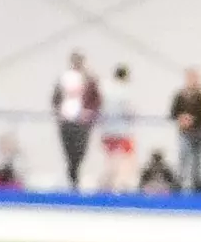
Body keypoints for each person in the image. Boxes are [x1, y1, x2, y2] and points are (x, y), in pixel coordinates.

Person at [51, 51, 99, 190]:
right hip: (66, 120)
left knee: (80, 150)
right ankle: (72, 177)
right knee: (68, 150)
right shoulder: (64, 78)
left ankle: (75, 174)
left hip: (82, 122)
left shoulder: (89, 80)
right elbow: (56, 97)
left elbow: (96, 100)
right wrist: (58, 112)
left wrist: (89, 113)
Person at [98, 65, 137, 193]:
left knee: (109, 159)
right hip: (123, 132)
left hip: (107, 131)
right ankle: (119, 186)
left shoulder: (105, 89)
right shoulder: (124, 91)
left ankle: (106, 185)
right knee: (125, 160)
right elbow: (129, 112)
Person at [171, 68, 201, 192]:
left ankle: (197, 182)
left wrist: (193, 120)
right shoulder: (180, 95)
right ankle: (181, 182)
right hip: (184, 133)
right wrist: (182, 119)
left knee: (198, 159)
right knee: (183, 157)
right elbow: (173, 112)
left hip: (199, 132)